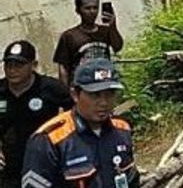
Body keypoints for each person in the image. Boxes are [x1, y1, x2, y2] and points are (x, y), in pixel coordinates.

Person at [21, 58, 137, 188]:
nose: (103, 102)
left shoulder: (122, 131)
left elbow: (131, 180)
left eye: (109, 94)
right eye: (95, 95)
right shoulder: (51, 139)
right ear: (75, 94)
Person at [0, 41, 71, 188]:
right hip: (8, 169)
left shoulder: (50, 88)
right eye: (9, 65)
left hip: (45, 165)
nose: (12, 70)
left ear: (34, 65)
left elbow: (76, 113)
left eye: (19, 65)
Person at [53, 0, 123, 87]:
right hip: (82, 84)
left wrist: (113, 26)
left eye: (95, 8)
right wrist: (65, 91)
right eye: (87, 8)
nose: (92, 11)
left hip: (104, 81)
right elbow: (63, 67)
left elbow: (117, 47)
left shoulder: (105, 31)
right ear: (78, 11)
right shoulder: (69, 36)